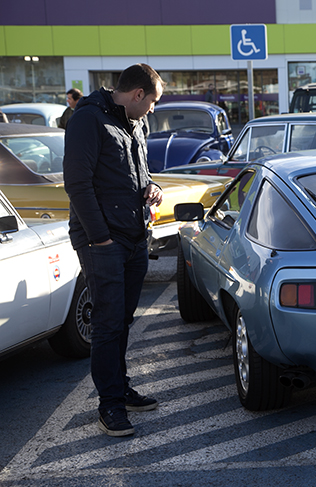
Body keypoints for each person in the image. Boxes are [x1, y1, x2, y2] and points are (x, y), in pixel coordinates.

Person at [63, 63, 165, 437]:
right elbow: (76, 184)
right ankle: (109, 405)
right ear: (137, 94)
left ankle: (119, 388)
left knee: (122, 319)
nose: (152, 110)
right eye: (152, 102)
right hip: (102, 240)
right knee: (107, 323)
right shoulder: (88, 119)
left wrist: (152, 187)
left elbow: (138, 173)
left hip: (136, 234)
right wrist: (101, 239)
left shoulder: (136, 122)